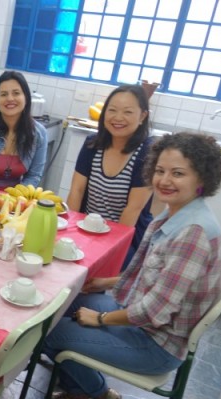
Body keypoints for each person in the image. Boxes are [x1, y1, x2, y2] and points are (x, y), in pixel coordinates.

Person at [43, 133, 221, 399]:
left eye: (178, 173)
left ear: (202, 178)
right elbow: (154, 277)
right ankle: (80, 392)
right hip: (142, 321)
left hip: (156, 344)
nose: (165, 180)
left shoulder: (193, 233)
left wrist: (101, 319)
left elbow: (154, 311)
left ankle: (95, 392)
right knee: (66, 301)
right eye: (160, 171)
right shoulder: (177, 213)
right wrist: (107, 282)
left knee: (46, 332)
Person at [66, 84, 153, 266]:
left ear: (142, 116)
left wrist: (109, 248)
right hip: (85, 229)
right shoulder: (92, 144)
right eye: (112, 110)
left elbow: (133, 209)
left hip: (123, 239)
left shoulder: (147, 154)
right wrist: (70, 233)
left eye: (128, 112)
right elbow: (77, 190)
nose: (118, 118)